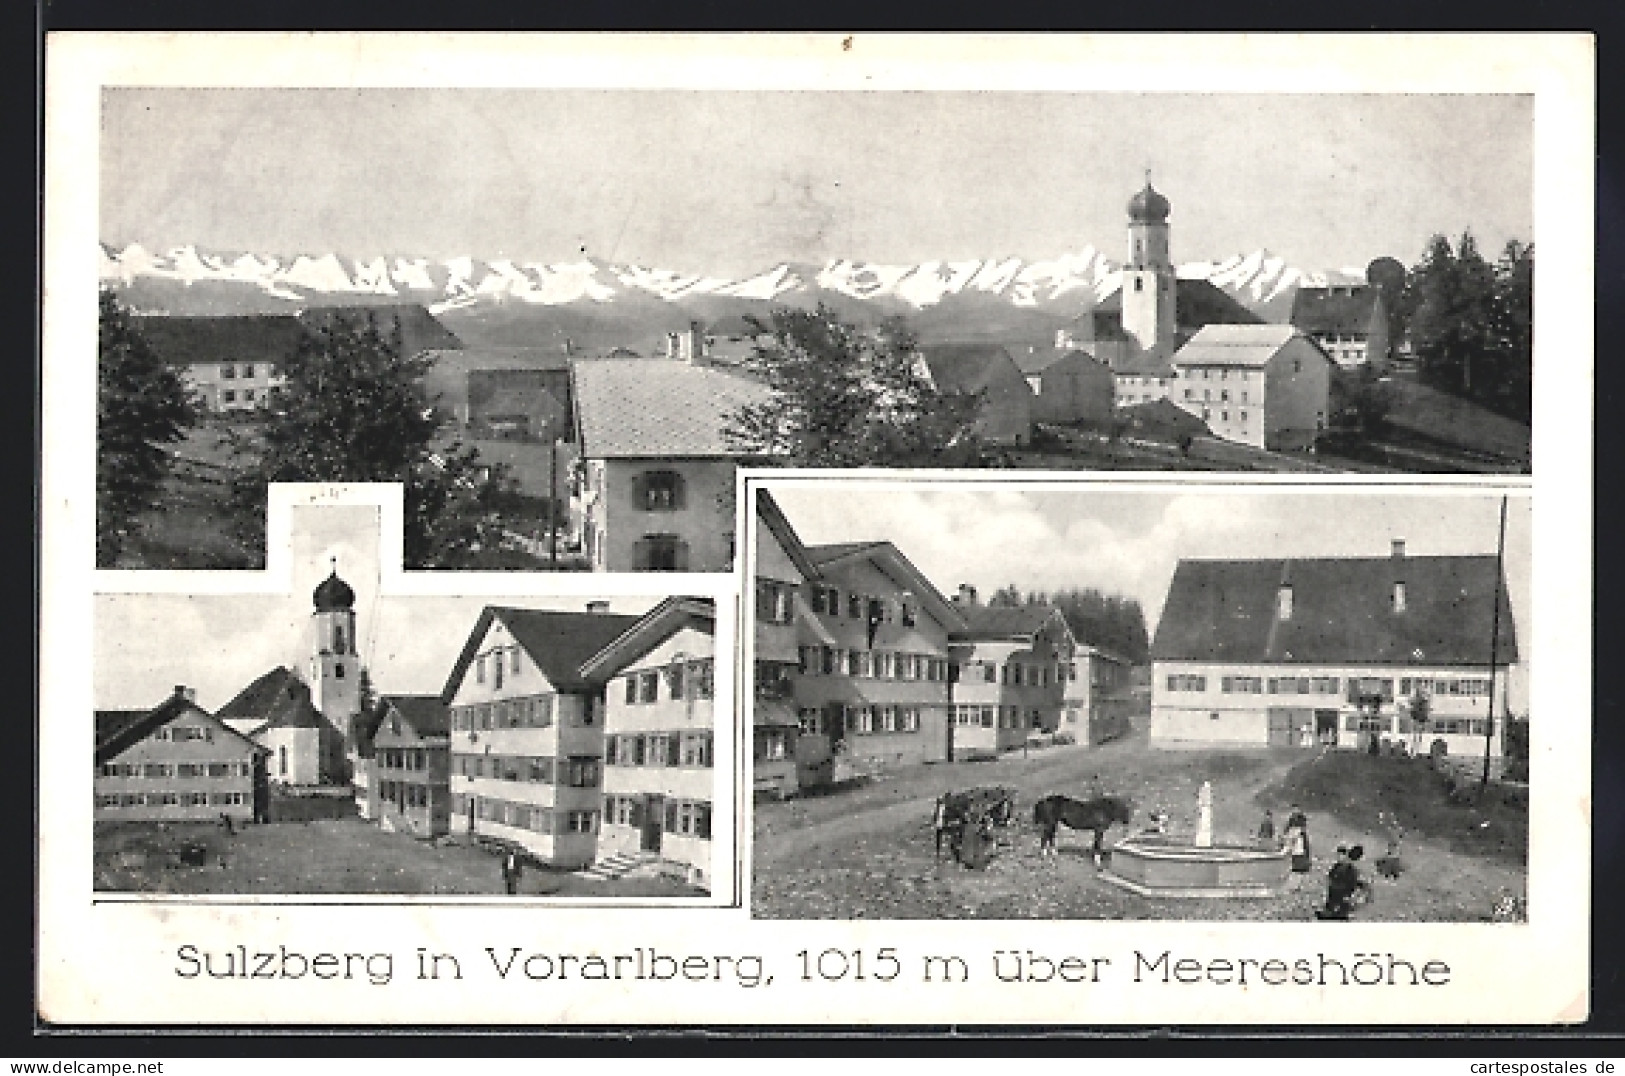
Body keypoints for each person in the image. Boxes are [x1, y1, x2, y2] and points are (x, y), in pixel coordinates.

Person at [1282, 804, 1312, 873]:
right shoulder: (1291, 817)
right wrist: (1286, 833)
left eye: (1296, 809)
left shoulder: (1301, 817)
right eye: (1293, 809)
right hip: (1293, 833)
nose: (1295, 810)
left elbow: (1304, 825)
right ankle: (1296, 866)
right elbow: (1288, 826)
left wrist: (1301, 831)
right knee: (1295, 850)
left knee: (1302, 848)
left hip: (1300, 833)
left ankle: (1304, 866)